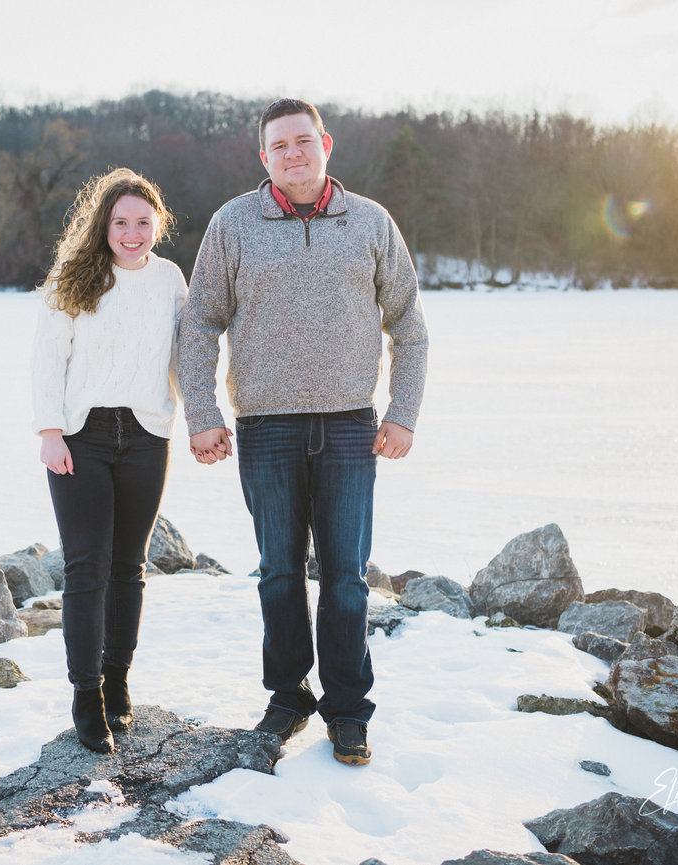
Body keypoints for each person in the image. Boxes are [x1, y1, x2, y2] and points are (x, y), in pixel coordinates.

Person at [177, 98, 428, 766]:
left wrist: (402, 411)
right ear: (264, 157)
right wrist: (201, 413)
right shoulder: (233, 224)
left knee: (345, 577)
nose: (293, 154)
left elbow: (408, 324)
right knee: (280, 574)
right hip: (265, 428)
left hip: (351, 427)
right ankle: (288, 695)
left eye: (303, 141)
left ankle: (348, 709)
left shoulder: (370, 222)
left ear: (326, 144)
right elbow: (199, 321)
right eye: (278, 146)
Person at [31, 168, 188, 754]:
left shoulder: (171, 280)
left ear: (158, 225)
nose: (132, 233)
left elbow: (184, 356)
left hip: (148, 433)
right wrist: (50, 432)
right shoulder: (74, 278)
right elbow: (47, 359)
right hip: (82, 437)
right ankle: (85, 693)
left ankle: (118, 680)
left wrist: (204, 419)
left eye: (143, 222)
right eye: (120, 222)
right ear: (103, 226)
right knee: (86, 569)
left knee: (129, 567)